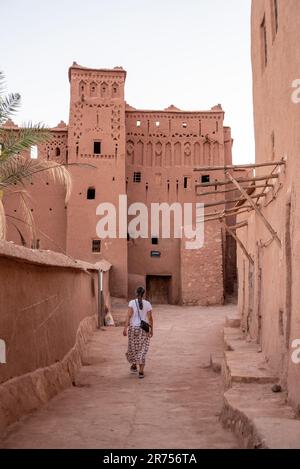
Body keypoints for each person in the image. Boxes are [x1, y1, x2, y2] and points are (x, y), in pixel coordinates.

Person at [123, 286, 153, 379]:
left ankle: (134, 365)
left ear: (136, 293)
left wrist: (125, 328)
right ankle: (141, 372)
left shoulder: (132, 302)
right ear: (144, 294)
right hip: (144, 329)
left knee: (133, 348)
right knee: (142, 349)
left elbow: (128, 316)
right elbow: (150, 318)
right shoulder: (147, 304)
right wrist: (152, 329)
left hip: (133, 329)